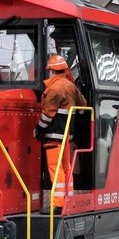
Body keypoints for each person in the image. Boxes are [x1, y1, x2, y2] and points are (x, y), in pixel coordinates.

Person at [36, 54, 86, 209]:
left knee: (55, 169)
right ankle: (68, 201)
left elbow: (47, 115)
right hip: (66, 137)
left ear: (51, 71)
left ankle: (57, 205)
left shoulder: (54, 89)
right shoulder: (70, 86)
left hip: (54, 137)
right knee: (66, 168)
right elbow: (83, 105)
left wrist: (38, 129)